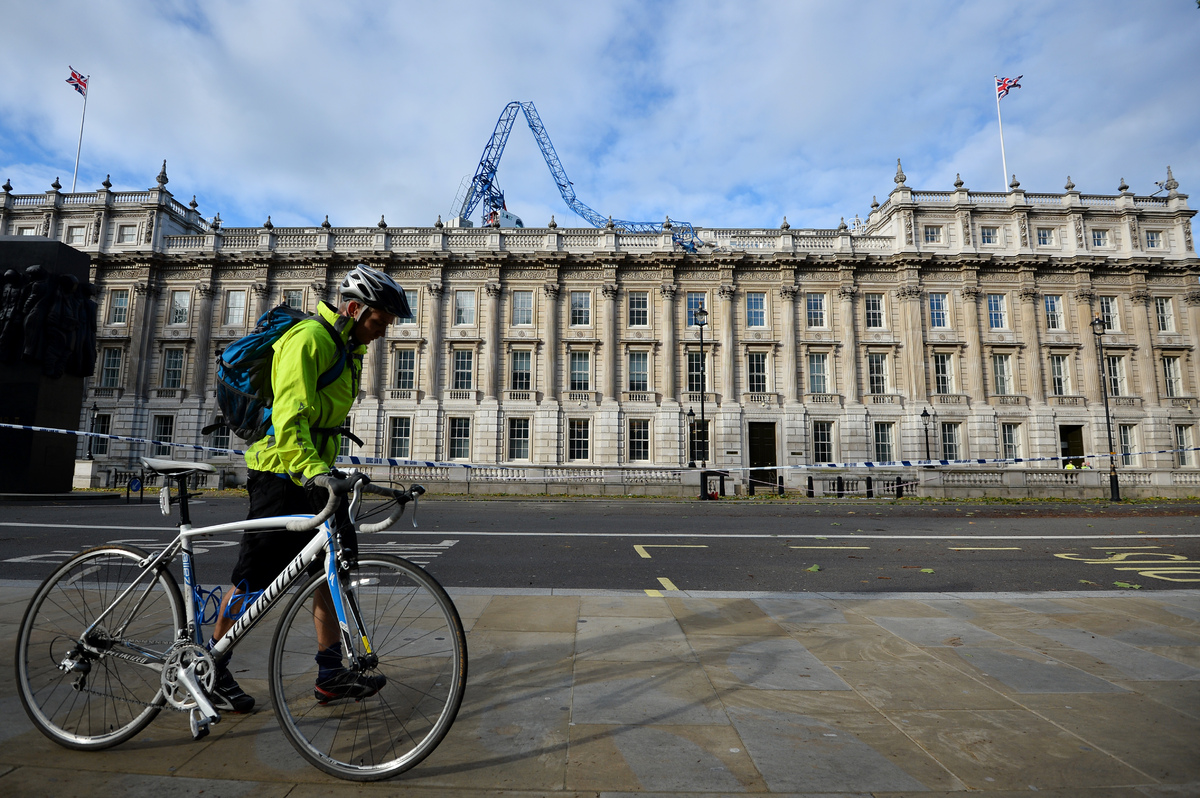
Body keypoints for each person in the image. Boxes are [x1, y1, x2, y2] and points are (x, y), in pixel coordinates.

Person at [207, 264, 412, 712]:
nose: (382, 332)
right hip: (280, 473)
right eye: (379, 322)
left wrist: (341, 479)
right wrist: (313, 473)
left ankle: (330, 673)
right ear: (355, 310)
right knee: (253, 580)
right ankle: (213, 667)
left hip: (314, 472)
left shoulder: (347, 348)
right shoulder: (310, 341)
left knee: (331, 572)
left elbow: (322, 423)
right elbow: (289, 418)